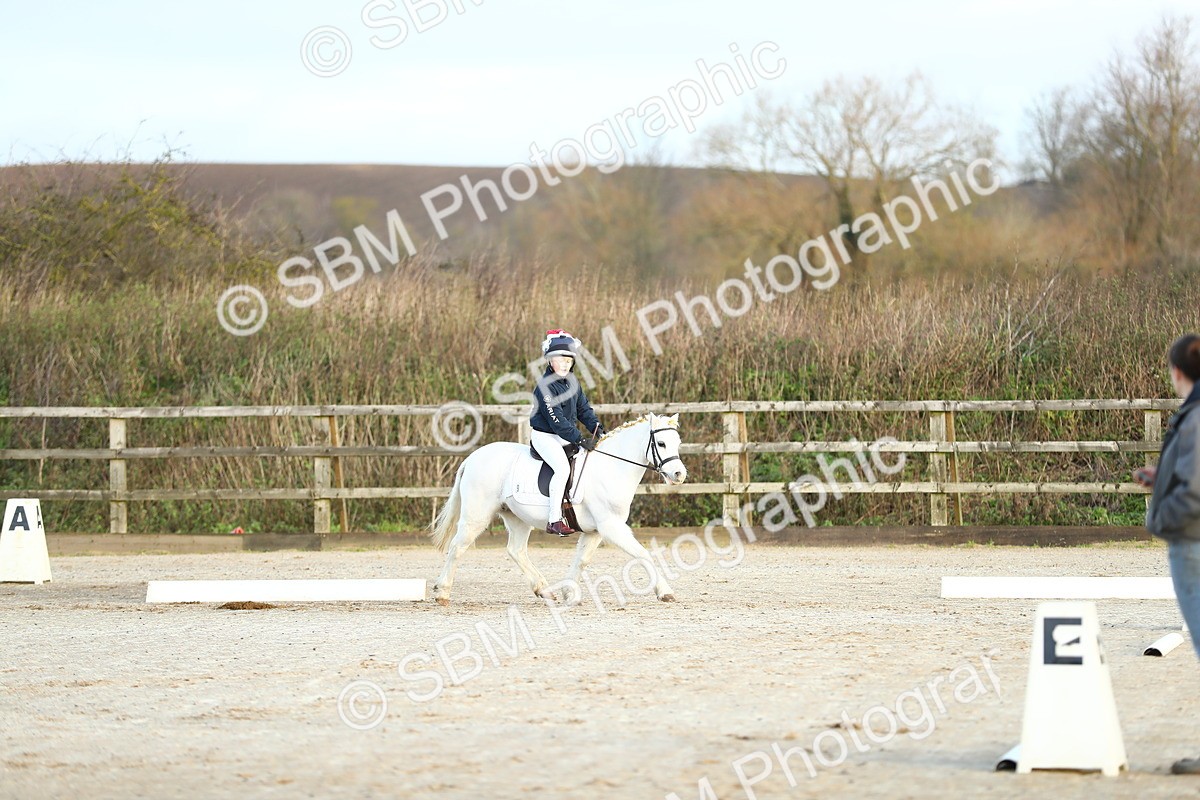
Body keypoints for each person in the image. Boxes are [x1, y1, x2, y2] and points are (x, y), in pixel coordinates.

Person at [1136, 333, 1200, 775]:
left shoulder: (1195, 417)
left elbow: (1195, 491)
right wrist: (1161, 479)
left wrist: (1162, 518)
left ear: (1178, 372)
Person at [529, 329, 606, 536]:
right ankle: (554, 520)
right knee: (562, 469)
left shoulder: (573, 382)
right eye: (559, 360)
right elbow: (558, 423)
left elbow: (584, 410)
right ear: (549, 361)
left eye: (568, 361)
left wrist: (598, 430)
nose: (564, 364)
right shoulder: (544, 387)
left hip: (565, 435)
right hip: (545, 436)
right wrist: (580, 439)